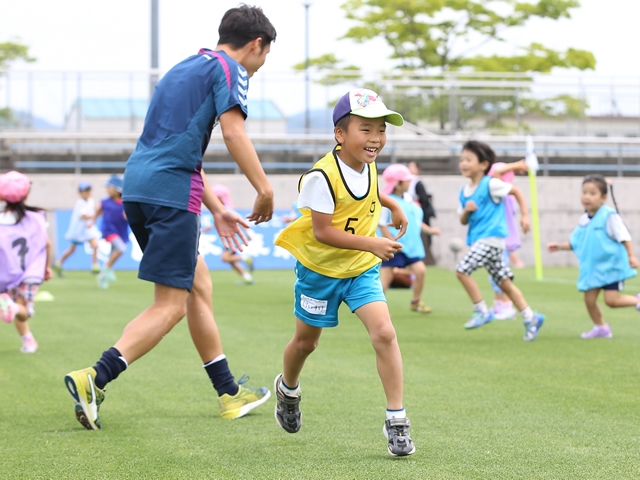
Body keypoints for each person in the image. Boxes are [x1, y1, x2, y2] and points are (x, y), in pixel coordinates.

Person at [64, 5, 277, 431]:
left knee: (198, 285)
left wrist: (216, 209)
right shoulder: (231, 70)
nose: (262, 63)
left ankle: (228, 393)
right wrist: (265, 188)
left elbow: (175, 144)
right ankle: (96, 377)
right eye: (266, 54)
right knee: (170, 306)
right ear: (256, 44)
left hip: (138, 187)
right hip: (172, 193)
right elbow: (234, 133)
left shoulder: (181, 69)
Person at [274, 88, 416, 457]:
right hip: (319, 273)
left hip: (359, 271)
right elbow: (323, 232)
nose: (375, 139)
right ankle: (288, 389)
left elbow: (368, 193)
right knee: (306, 344)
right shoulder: (321, 176)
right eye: (366, 130)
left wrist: (392, 202)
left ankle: (396, 419)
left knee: (385, 333)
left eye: (381, 130)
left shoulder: (367, 161)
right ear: (341, 135)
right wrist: (373, 244)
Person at [456, 140, 544, 341]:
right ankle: (531, 318)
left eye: (469, 159)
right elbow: (462, 220)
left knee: (462, 271)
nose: (463, 163)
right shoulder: (464, 192)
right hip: (483, 242)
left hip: (490, 240)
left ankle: (481, 311)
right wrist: (466, 211)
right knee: (505, 284)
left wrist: (524, 216)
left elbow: (516, 191)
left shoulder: (491, 184)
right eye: (462, 159)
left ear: (483, 164)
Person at [547, 174, 639, 338]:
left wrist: (631, 256)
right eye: (584, 192)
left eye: (592, 193)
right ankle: (601, 328)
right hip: (593, 269)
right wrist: (559, 246)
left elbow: (624, 237)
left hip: (611, 267)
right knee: (589, 301)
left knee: (611, 301)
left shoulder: (610, 216)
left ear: (603, 197)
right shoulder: (584, 219)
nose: (587, 197)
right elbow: (575, 242)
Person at [0, 171, 51, 353]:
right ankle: (28, 340)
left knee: (15, 308)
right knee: (23, 311)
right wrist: (46, 268)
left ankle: (28, 340)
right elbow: (46, 244)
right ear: (26, 194)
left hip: (6, 273)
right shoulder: (37, 217)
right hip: (30, 273)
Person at [379, 163, 441, 313]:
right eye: (406, 180)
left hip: (411, 247)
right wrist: (392, 243)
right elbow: (381, 224)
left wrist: (431, 230)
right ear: (398, 183)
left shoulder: (409, 199)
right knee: (385, 277)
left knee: (420, 270)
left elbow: (415, 222)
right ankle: (377, 308)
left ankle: (416, 302)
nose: (409, 182)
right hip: (395, 246)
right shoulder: (386, 201)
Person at [486, 160, 528, 320]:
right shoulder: (499, 194)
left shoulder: (504, 195)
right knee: (495, 273)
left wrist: (515, 165)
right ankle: (499, 304)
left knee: (499, 274)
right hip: (499, 239)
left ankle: (506, 305)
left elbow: (497, 172)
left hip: (502, 240)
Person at [54, 181, 101, 276]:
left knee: (95, 245)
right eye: (85, 191)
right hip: (78, 231)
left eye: (88, 190)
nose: (87, 193)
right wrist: (95, 214)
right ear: (80, 192)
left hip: (88, 230)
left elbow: (94, 213)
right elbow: (83, 216)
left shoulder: (91, 201)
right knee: (71, 250)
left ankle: (95, 265)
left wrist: (94, 218)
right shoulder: (79, 203)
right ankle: (59, 263)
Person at [209, 183, 254, 285]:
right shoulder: (217, 209)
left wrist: (248, 233)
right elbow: (212, 225)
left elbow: (238, 220)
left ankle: (245, 258)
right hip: (224, 238)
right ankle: (247, 278)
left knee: (225, 258)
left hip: (229, 237)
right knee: (231, 262)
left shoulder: (225, 209)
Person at [90, 175, 129, 289]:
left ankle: (102, 277)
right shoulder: (105, 202)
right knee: (121, 249)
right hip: (109, 230)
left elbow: (128, 215)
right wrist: (92, 222)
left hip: (121, 231)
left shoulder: (125, 202)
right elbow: (97, 212)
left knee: (113, 254)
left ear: (117, 189)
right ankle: (106, 268)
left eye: (109, 187)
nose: (107, 189)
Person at [407, 161, 436, 265]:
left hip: (419, 214)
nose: (409, 169)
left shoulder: (417, 183)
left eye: (412, 167)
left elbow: (423, 200)